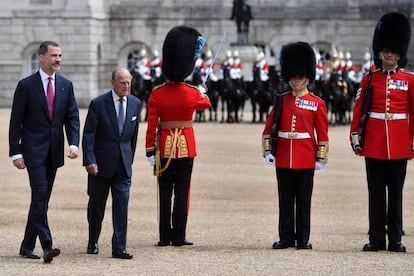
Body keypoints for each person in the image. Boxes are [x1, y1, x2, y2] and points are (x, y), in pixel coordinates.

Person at [9, 41, 80, 263]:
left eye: (60, 55)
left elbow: (72, 118)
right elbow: (15, 122)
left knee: (41, 200)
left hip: (54, 152)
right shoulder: (26, 85)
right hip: (33, 152)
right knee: (40, 196)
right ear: (42, 58)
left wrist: (74, 143)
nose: (58, 59)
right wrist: (16, 152)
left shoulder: (66, 85)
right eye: (54, 55)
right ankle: (47, 245)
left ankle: (26, 245)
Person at [350, 12, 413, 253]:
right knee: (375, 194)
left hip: (398, 144)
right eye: (386, 50)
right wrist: (356, 138)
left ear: (399, 53)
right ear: (380, 51)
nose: (390, 54)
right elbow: (358, 112)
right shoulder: (369, 79)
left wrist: (413, 141)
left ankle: (395, 239)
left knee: (395, 194)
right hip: (374, 143)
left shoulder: (409, 79)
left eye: (394, 51)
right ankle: (376, 238)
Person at [145, 26, 211, 247]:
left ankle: (164, 236)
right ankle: (179, 236)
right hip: (186, 147)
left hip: (164, 147)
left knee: (165, 192)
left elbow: (152, 125)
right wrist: (201, 91)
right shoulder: (192, 93)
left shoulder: (157, 93)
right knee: (183, 191)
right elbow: (206, 104)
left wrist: (149, 151)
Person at [262, 41, 329, 250]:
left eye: (300, 76)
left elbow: (323, 135)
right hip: (283, 156)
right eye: (293, 76)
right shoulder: (281, 100)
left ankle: (303, 238)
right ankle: (286, 237)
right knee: (285, 200)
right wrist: (267, 152)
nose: (296, 80)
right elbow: (268, 129)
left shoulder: (317, 103)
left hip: (306, 157)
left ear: (308, 77)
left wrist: (321, 157)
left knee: (303, 201)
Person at [82, 68, 142, 259]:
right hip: (100, 165)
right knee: (96, 206)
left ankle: (119, 247)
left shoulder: (135, 103)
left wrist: (129, 160)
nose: (127, 86)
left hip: (123, 165)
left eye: (129, 82)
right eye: (123, 82)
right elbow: (89, 135)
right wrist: (89, 160)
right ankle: (93, 240)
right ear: (113, 83)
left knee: (122, 206)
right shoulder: (98, 104)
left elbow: (133, 137)